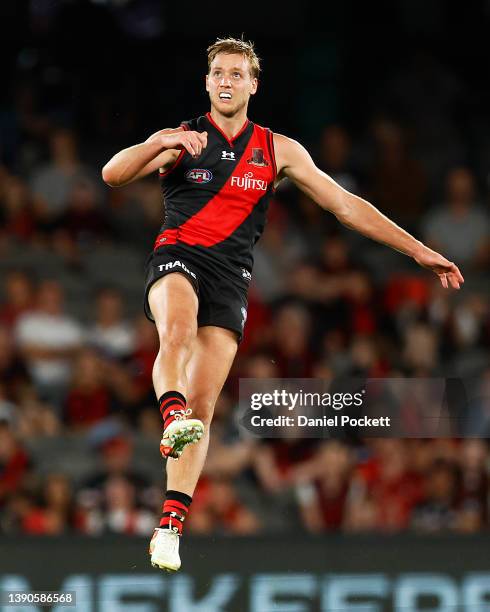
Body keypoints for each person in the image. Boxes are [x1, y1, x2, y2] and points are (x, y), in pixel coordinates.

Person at [101, 37, 464, 572]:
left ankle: (170, 525)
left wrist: (418, 250)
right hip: (178, 256)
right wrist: (161, 139)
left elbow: (345, 206)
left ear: (253, 84)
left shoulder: (279, 150)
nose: (226, 80)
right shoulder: (185, 139)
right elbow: (112, 174)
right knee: (176, 334)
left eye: (237, 73)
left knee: (204, 411)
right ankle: (169, 412)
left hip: (231, 282)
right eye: (217, 72)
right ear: (207, 83)